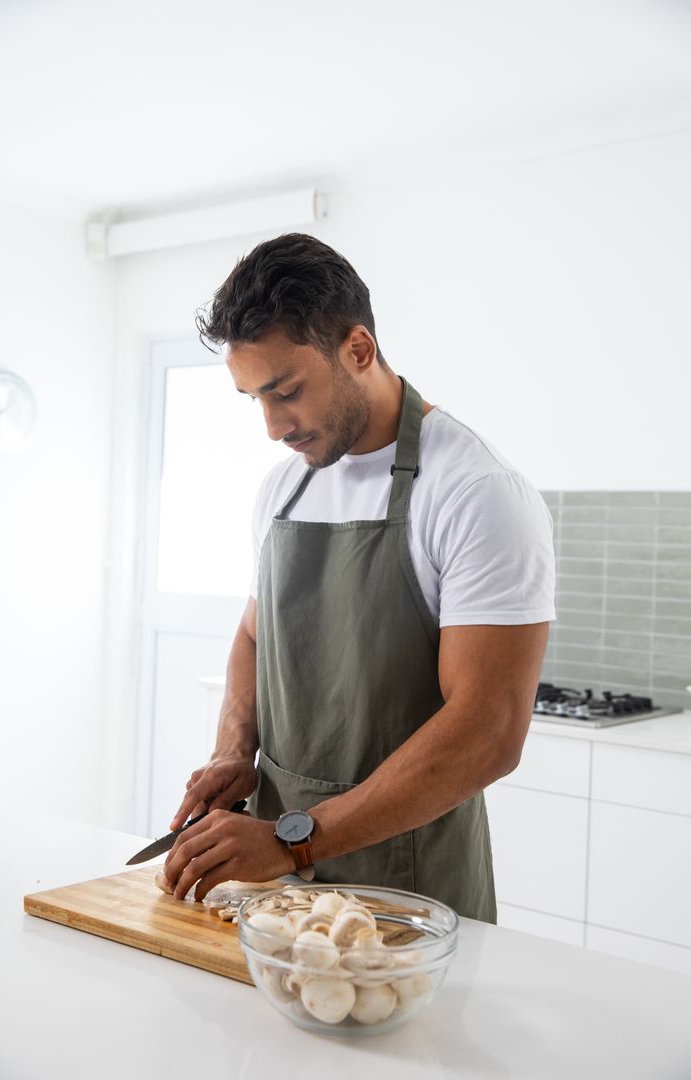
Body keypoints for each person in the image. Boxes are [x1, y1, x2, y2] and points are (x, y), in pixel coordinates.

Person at [161, 233, 555, 921]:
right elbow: (256, 637)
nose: (272, 426)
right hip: (278, 880)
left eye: (286, 391)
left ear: (359, 350)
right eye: (253, 397)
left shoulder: (474, 491)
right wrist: (234, 750)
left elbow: (488, 731)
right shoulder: (284, 489)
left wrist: (295, 841)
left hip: (412, 890)